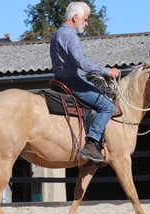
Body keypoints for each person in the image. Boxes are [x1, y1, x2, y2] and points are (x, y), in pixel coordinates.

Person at [50, 1, 120, 163]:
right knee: (108, 106)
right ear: (75, 17)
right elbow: (82, 62)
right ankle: (92, 143)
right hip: (74, 82)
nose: (87, 23)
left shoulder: (58, 34)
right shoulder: (71, 36)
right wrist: (106, 71)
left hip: (60, 80)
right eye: (86, 19)